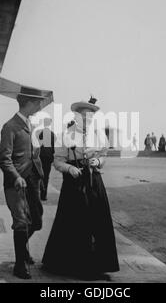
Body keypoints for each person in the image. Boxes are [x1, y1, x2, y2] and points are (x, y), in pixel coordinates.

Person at [42, 97, 119, 280]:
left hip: (94, 181)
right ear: (77, 116)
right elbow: (57, 161)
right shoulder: (66, 135)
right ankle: (70, 264)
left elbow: (104, 155)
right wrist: (69, 168)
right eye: (84, 117)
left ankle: (99, 265)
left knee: (98, 220)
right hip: (73, 183)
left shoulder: (99, 135)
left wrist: (98, 161)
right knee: (73, 222)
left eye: (91, 117)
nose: (87, 120)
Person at [0, 89, 45, 280]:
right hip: (16, 182)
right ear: (28, 103)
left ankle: (23, 250)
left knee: (38, 220)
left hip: (32, 181)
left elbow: (32, 153)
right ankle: (20, 265)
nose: (40, 106)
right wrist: (16, 176)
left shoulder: (30, 125)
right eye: (37, 103)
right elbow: (4, 159)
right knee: (21, 221)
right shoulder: (10, 126)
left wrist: (38, 171)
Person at [37, 118, 56, 201]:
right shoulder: (52, 134)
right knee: (46, 176)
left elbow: (38, 145)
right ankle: (43, 195)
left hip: (41, 156)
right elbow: (53, 147)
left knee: (40, 175)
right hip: (48, 157)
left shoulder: (41, 133)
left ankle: (40, 192)